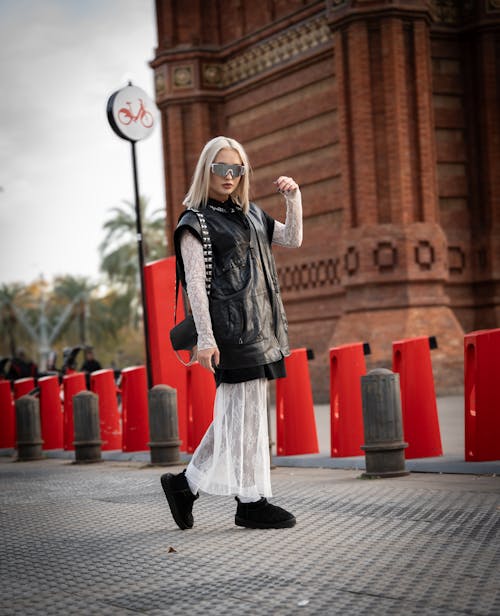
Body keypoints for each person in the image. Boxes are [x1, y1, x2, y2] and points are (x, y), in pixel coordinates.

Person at [161, 136, 303, 530]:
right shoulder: (196, 222)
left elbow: (291, 238)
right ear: (207, 170)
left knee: (244, 415)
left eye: (236, 169)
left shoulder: (253, 214)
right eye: (221, 168)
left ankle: (187, 486)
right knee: (239, 415)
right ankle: (250, 500)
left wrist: (293, 198)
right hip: (229, 333)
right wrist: (205, 338)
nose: (229, 176)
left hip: (262, 328)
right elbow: (194, 284)